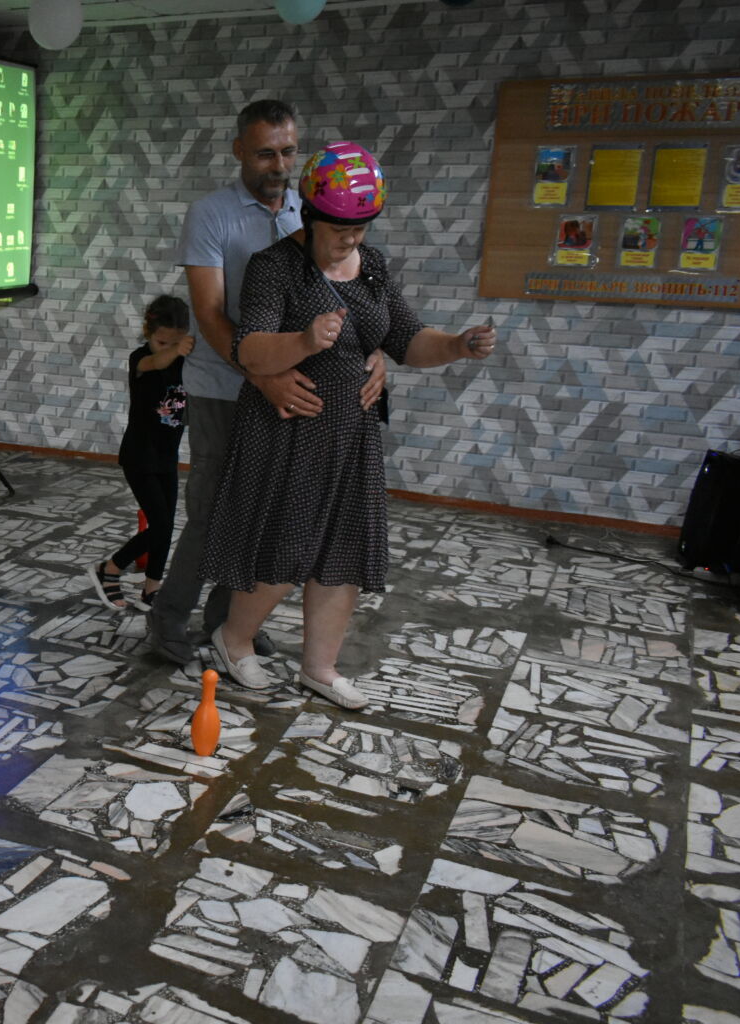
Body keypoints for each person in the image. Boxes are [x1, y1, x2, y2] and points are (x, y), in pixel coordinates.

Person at [202, 141, 498, 709]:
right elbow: (250, 348)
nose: (351, 239)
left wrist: (457, 345)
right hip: (288, 432)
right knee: (286, 546)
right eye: (340, 228)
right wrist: (304, 340)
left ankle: (320, 667)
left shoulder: (373, 267)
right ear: (311, 215)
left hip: (351, 435)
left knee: (344, 552)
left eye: (361, 227)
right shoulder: (275, 267)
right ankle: (233, 641)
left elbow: (407, 338)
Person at [146, 99, 386, 665]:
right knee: (213, 510)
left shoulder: (312, 208)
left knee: (262, 513)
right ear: (239, 151)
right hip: (224, 388)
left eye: (287, 152)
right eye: (264, 154)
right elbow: (210, 315)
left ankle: (229, 624)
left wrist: (375, 351)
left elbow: (351, 291)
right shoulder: (212, 215)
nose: (278, 165)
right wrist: (263, 376)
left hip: (293, 393)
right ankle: (167, 619)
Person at [87, 296, 194, 611]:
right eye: (162, 342)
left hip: (167, 457)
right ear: (148, 332)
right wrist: (177, 348)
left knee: (166, 525)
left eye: (174, 342)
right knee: (160, 524)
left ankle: (151, 588)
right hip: (139, 456)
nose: (167, 348)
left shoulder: (186, 361)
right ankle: (110, 568)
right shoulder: (141, 359)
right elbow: (156, 362)